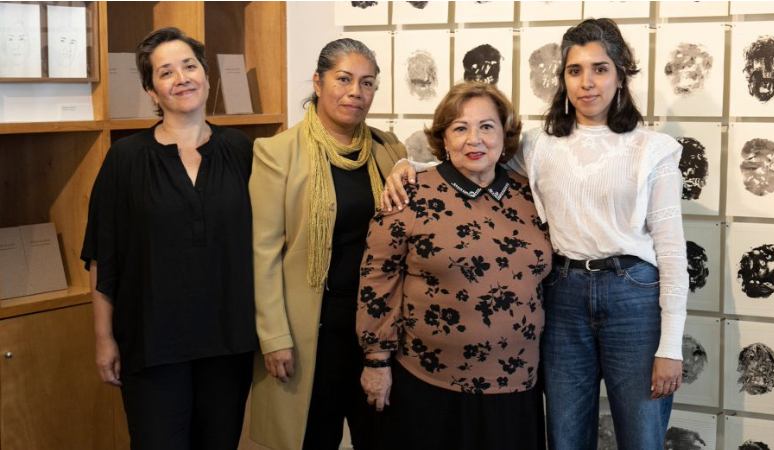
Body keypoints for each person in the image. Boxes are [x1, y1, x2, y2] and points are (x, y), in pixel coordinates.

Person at [382, 18, 688, 450]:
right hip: (562, 297)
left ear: (621, 76)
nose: (587, 82)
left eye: (600, 69)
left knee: (641, 437)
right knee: (564, 437)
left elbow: (672, 251)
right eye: (575, 70)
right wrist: (410, 166)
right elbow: (476, 156)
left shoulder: (653, 150)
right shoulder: (539, 144)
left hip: (633, 297)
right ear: (563, 79)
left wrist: (670, 346)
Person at [82, 27, 257, 450]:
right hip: (151, 344)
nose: (181, 78)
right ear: (151, 91)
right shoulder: (125, 159)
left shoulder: (243, 151)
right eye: (165, 72)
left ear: (207, 76)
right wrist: (104, 339)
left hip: (227, 341)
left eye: (189, 66)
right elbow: (103, 255)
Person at [358, 82, 551, 450]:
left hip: (517, 385)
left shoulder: (531, 195)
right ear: (443, 138)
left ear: (505, 135)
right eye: (460, 128)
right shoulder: (409, 193)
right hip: (429, 385)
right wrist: (376, 361)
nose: (474, 139)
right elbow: (377, 279)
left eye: (487, 126)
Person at [249, 38, 406, 450]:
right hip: (311, 331)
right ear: (318, 83)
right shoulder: (277, 153)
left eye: (367, 83)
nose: (356, 92)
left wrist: (409, 163)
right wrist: (274, 337)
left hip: (376, 328)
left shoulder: (389, 150)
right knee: (314, 438)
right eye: (344, 79)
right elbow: (264, 254)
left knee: (381, 437)